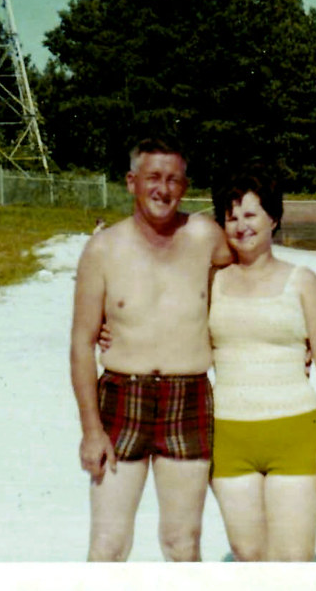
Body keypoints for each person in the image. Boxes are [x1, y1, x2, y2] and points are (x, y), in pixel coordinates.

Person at [69, 138, 232, 562]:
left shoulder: (205, 236)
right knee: (108, 545)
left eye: (174, 180)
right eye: (153, 178)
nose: (163, 189)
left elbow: (257, 277)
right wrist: (91, 431)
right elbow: (81, 344)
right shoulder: (102, 250)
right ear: (131, 182)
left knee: (182, 543)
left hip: (189, 396)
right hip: (122, 398)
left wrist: (297, 339)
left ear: (185, 185)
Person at [207, 168, 316, 562]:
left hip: (297, 433)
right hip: (228, 437)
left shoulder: (303, 282)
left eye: (251, 214)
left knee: (294, 559)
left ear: (274, 218)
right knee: (248, 554)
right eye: (230, 217)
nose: (241, 226)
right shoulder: (210, 283)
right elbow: (186, 344)